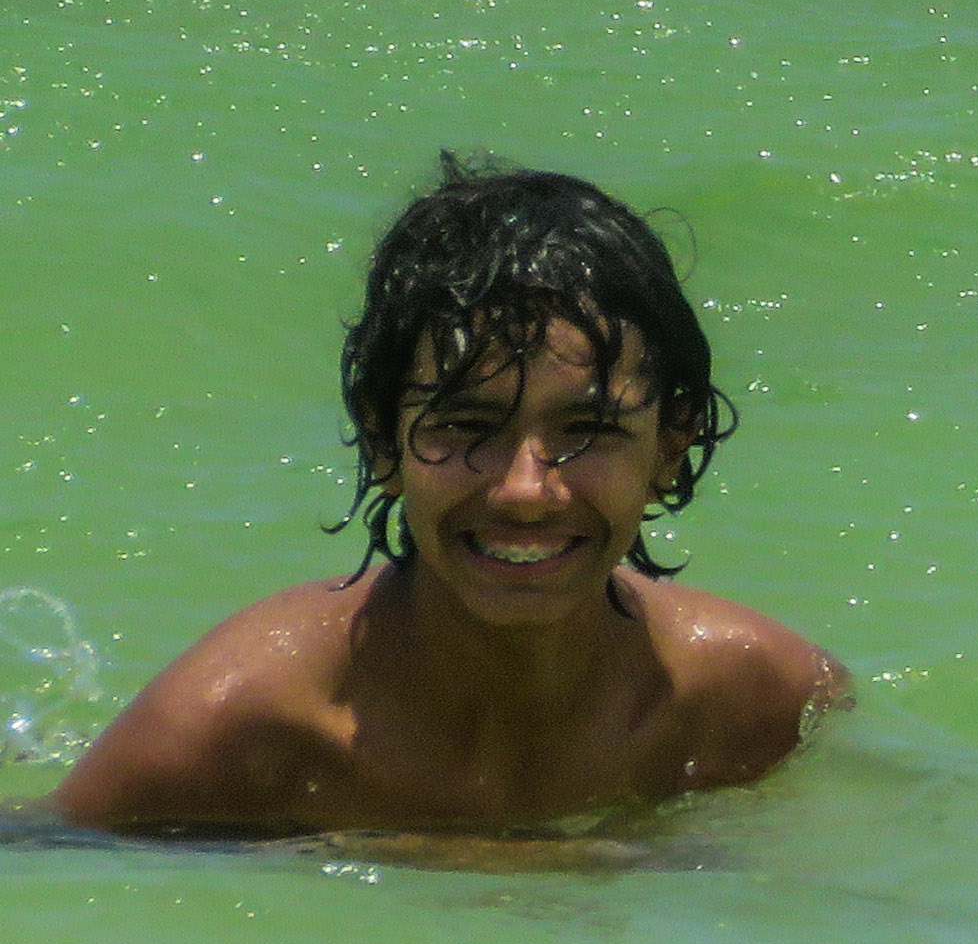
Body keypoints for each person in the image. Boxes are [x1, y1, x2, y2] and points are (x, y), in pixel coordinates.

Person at [54, 157, 847, 846]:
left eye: (589, 429)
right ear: (382, 442)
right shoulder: (240, 724)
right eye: (466, 424)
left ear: (670, 446)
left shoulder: (767, 704)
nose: (525, 490)